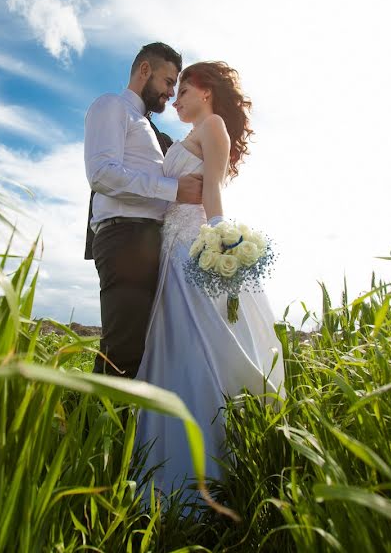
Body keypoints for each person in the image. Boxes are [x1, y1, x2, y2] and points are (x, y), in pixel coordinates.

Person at [133, 61, 285, 504]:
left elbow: (212, 191)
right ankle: (171, 465)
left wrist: (222, 245)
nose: (176, 99)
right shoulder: (191, 134)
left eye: (183, 89)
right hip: (170, 248)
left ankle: (207, 474)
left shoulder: (213, 124)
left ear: (206, 90)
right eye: (174, 90)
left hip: (189, 248)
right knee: (176, 348)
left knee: (196, 350)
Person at [84, 42, 204, 378]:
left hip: (151, 241)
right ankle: (89, 426)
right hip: (124, 237)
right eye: (168, 82)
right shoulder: (111, 107)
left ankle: (126, 428)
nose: (170, 92)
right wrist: (175, 189)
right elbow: (101, 174)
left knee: (146, 350)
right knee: (123, 351)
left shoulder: (151, 130)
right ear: (145, 70)